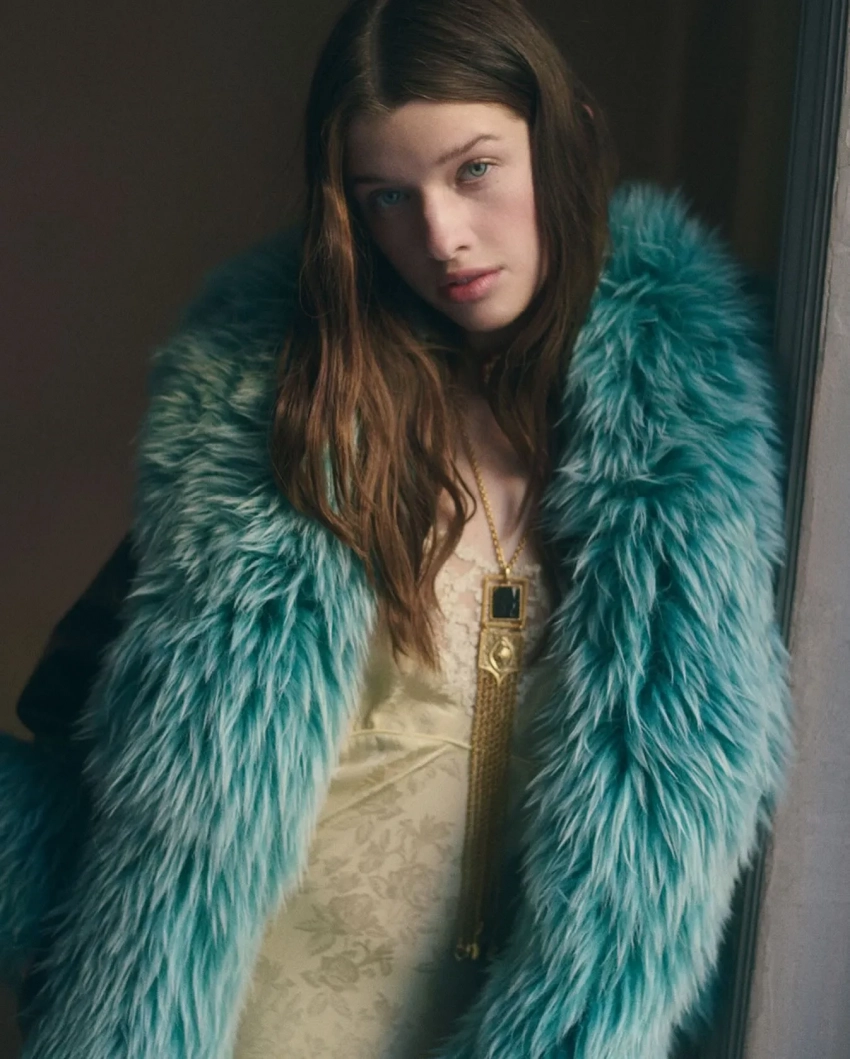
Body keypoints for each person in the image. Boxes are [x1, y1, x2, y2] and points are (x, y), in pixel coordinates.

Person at [0, 0, 793, 1056]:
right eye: (387, 197)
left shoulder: (697, 434)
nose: (441, 236)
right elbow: (75, 721)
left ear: (562, 137)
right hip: (252, 1023)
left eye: (475, 170)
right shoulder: (284, 414)